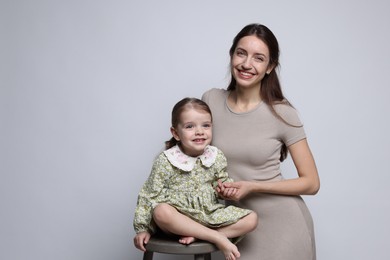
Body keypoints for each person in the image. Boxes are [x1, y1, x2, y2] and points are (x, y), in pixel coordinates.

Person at [202, 23, 320, 260]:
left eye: (259, 58)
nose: (247, 64)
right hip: (238, 227)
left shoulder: (282, 113)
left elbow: (312, 183)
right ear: (232, 54)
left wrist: (253, 186)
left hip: (284, 228)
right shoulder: (211, 101)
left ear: (270, 67)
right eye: (241, 53)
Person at [133, 97, 258, 260]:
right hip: (177, 219)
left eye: (205, 125)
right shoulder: (167, 160)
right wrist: (142, 228)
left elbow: (221, 182)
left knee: (252, 219)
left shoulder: (216, 156)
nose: (199, 131)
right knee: (161, 211)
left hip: (207, 215)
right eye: (190, 126)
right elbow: (149, 194)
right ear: (176, 133)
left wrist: (225, 190)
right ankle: (217, 237)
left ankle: (203, 234)